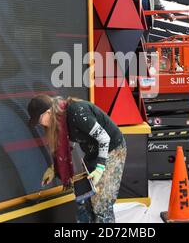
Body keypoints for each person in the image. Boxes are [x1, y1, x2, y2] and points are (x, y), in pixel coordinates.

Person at [27, 94, 127, 223]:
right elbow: (69, 140)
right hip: (93, 152)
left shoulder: (76, 112)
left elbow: (104, 138)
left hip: (112, 149)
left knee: (101, 204)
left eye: (39, 119)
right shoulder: (61, 119)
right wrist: (53, 168)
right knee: (86, 201)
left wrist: (100, 168)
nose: (40, 124)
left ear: (48, 112)